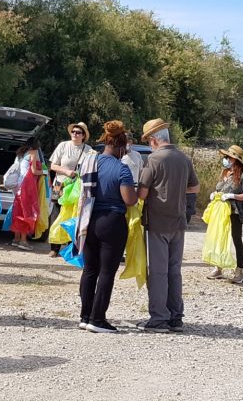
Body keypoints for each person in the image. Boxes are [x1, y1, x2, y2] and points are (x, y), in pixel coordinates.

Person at [136, 118, 199, 333]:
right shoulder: (183, 158)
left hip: (157, 222)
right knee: (175, 271)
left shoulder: (153, 160)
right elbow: (194, 187)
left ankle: (159, 318)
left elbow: (142, 193)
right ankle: (176, 316)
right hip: (178, 222)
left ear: (154, 140)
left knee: (158, 272)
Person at [79, 121, 138, 333]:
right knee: (106, 272)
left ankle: (85, 316)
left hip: (89, 219)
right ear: (122, 146)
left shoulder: (90, 161)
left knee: (89, 269)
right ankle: (98, 319)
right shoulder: (122, 169)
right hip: (112, 222)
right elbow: (129, 199)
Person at [206, 145, 243, 284]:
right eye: (225, 157)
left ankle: (239, 270)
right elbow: (219, 189)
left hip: (235, 212)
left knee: (236, 239)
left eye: (228, 157)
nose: (225, 159)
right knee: (219, 238)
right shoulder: (224, 173)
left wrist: (232, 196)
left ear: (235, 159)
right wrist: (215, 194)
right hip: (220, 212)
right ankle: (218, 268)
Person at [48, 122, 94, 257]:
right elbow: (53, 166)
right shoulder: (63, 145)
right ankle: (54, 247)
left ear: (83, 135)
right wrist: (67, 172)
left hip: (77, 187)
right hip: (60, 184)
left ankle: (69, 247)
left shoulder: (89, 150)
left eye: (78, 132)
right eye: (73, 131)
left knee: (75, 215)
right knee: (56, 213)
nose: (75, 134)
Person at [9, 137, 45, 251]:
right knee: (27, 212)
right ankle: (23, 241)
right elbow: (34, 171)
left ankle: (16, 239)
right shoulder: (33, 153)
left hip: (18, 185)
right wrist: (44, 172)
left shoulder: (20, 154)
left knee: (18, 211)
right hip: (27, 185)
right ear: (36, 146)